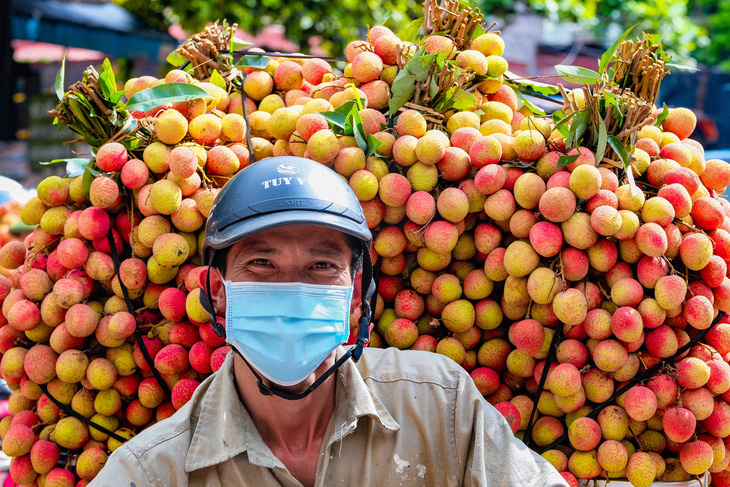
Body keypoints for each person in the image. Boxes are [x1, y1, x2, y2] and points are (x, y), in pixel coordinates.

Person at [91, 156, 568, 487]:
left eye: (321, 267)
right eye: (260, 264)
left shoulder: (440, 407)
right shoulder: (151, 472)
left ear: (357, 295)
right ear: (218, 294)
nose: (291, 286)